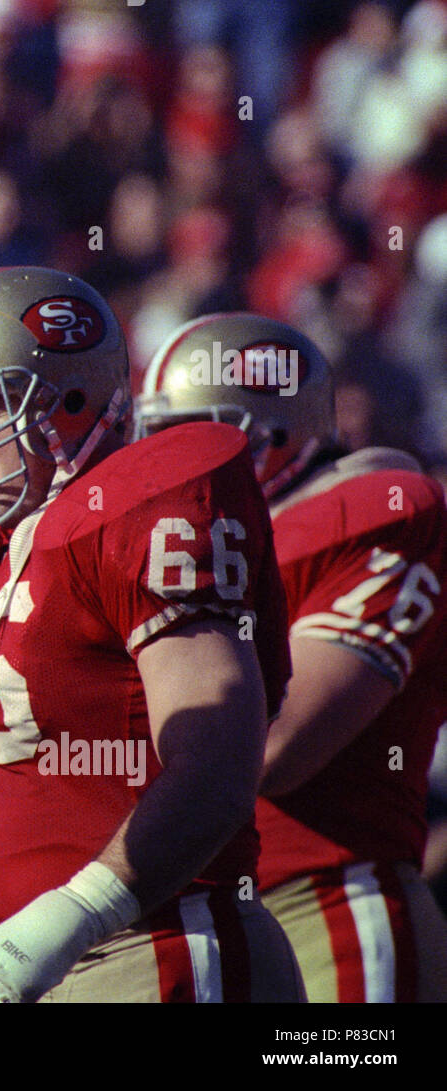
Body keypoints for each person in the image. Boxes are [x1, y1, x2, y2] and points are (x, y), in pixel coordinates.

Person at [0, 266, 302, 1002]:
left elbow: (218, 766)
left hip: (154, 944)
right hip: (33, 961)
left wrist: (65, 920)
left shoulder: (145, 501)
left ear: (69, 402)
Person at [137, 311, 447, 1001]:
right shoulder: (209, 547)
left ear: (271, 433)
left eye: (189, 437)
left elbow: (273, 749)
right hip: (209, 917)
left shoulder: (378, 515)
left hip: (329, 906)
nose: (167, 467)